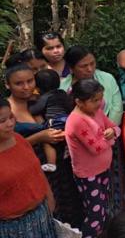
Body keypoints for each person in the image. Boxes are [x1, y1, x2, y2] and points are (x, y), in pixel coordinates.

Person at [5, 65, 82, 227]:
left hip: (58, 164)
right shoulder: (5, 112)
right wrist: (40, 137)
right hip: (29, 169)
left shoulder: (41, 100)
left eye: (30, 81)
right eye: (19, 83)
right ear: (7, 85)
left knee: (68, 206)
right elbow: (6, 150)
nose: (26, 87)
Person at [66, 79, 120, 238]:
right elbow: (95, 148)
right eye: (94, 100)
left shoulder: (96, 111)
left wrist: (113, 131)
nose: (100, 103)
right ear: (79, 101)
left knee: (102, 208)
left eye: (100, 98)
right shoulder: (77, 121)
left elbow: (114, 126)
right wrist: (112, 137)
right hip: (89, 174)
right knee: (95, 213)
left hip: (102, 168)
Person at [0, 97, 57, 238]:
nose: (10, 123)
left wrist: (49, 199)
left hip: (42, 214)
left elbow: (37, 170)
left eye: (11, 117)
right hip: (13, 227)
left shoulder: (18, 139)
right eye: (2, 121)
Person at [60, 46, 123, 125]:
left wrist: (110, 128)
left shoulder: (107, 79)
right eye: (83, 66)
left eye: (92, 63)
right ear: (71, 68)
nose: (90, 69)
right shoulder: (62, 87)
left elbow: (117, 107)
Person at [34, 69, 72, 173]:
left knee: (48, 142)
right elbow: (70, 106)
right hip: (67, 121)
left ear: (38, 87)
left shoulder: (45, 97)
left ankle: (51, 163)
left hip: (54, 123)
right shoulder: (62, 93)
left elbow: (35, 110)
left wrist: (30, 103)